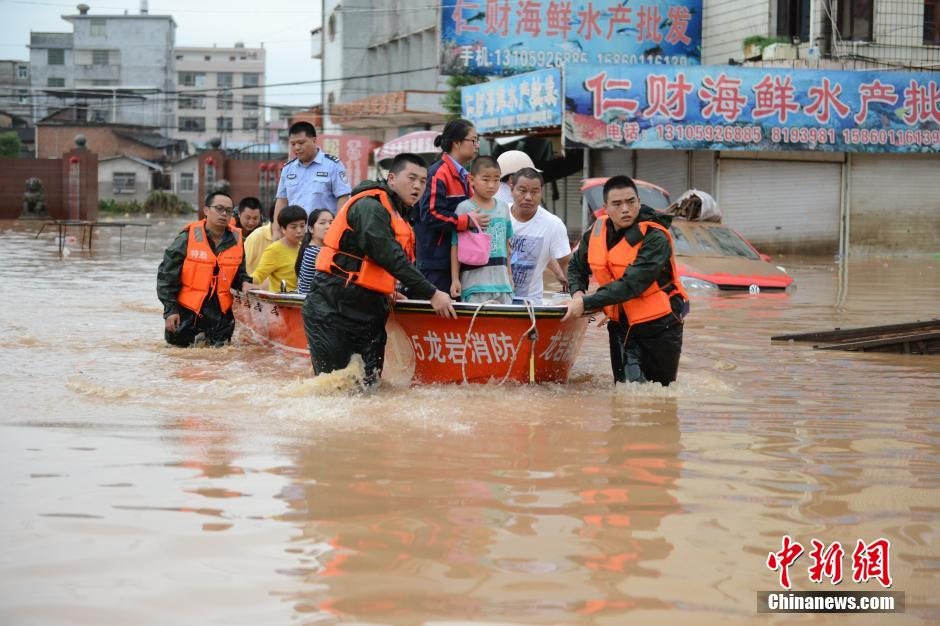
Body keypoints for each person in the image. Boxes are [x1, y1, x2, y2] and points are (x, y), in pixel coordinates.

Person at [304, 153, 456, 387]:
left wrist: (385, 288)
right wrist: (432, 293)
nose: (417, 186)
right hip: (332, 309)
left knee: (370, 387)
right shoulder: (370, 206)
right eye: (412, 178)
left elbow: (373, 262)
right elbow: (387, 254)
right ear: (392, 179)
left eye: (423, 181)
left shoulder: (399, 213)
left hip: (369, 311)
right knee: (333, 390)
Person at [563, 176, 690, 386]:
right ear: (605, 208)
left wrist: (588, 303)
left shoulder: (655, 237)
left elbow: (632, 284)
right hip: (620, 326)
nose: (625, 209)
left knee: (659, 395)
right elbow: (576, 266)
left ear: (639, 202)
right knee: (624, 392)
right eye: (617, 204)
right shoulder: (597, 231)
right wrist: (578, 295)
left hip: (660, 327)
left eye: (631, 202)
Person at [157, 191, 252, 347]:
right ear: (206, 210)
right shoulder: (186, 238)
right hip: (186, 315)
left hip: (221, 317)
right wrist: (170, 311)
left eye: (228, 211)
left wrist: (245, 283)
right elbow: (166, 277)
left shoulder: (238, 241)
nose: (224, 214)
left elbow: (239, 274)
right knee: (180, 362)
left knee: (218, 364)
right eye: (219, 208)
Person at [415, 119, 490, 294]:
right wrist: (467, 221)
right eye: (473, 140)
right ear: (457, 143)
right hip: (436, 262)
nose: (477, 145)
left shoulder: (465, 175)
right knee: (437, 316)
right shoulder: (438, 173)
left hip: (457, 260)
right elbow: (430, 213)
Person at [450, 156, 514, 304]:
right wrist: (455, 279)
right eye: (485, 179)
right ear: (471, 180)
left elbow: (506, 245)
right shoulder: (464, 208)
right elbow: (455, 245)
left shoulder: (504, 208)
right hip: (474, 285)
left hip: (502, 285)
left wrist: (509, 276)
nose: (491, 185)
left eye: (496, 179)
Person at [508, 168, 572, 301]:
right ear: (512, 189)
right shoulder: (498, 215)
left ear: (542, 192)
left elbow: (565, 262)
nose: (528, 197)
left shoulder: (553, 224)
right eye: (522, 190)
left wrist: (577, 296)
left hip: (531, 304)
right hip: (496, 299)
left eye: (534, 192)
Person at [274, 121, 351, 226]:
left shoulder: (333, 165)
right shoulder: (288, 169)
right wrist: (277, 228)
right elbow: (282, 201)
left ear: (314, 141)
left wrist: (337, 229)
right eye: (293, 144)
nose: (296, 148)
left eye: (301, 143)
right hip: (295, 234)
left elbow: (343, 199)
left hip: (323, 233)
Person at [251, 204, 307, 292]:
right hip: (282, 302)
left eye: (302, 226)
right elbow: (259, 275)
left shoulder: (303, 248)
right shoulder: (274, 250)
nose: (299, 230)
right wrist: (244, 283)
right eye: (294, 227)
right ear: (283, 229)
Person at [295, 208, 333, 294]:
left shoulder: (309, 248)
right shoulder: (316, 252)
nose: (328, 226)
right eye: (322, 223)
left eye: (331, 222)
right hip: (312, 303)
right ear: (311, 229)